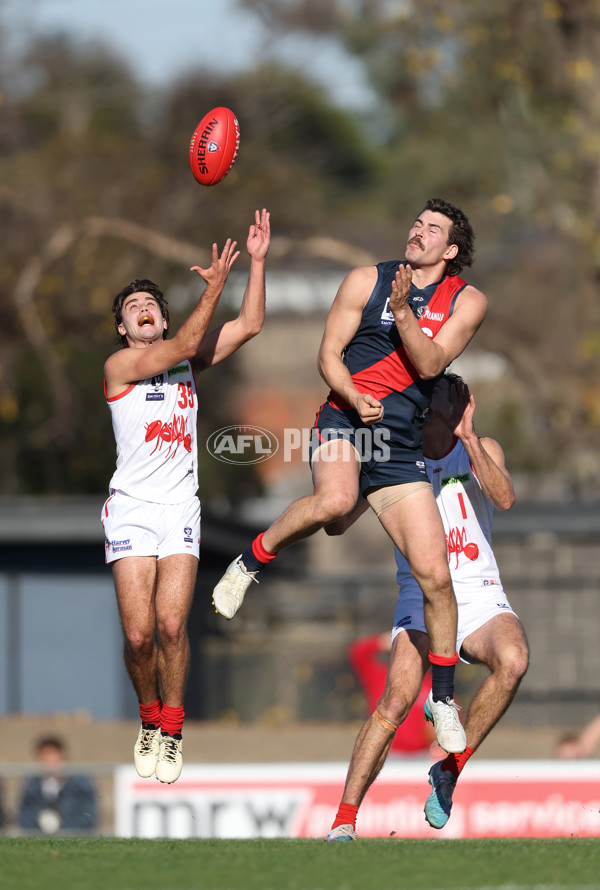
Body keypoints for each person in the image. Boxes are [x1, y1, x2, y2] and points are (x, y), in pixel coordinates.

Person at [213, 198, 487, 752]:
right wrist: (353, 393)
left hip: (403, 442)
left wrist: (405, 312)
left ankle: (444, 697)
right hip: (346, 417)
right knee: (335, 505)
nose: (417, 231)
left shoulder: (468, 301)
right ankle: (249, 562)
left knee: (435, 575)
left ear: (450, 250)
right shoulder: (367, 279)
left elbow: (432, 364)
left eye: (431, 229)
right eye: (415, 222)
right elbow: (327, 355)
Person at [102, 209, 271, 784]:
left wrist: (257, 259)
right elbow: (188, 340)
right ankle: (148, 718)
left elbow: (249, 324)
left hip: (180, 511)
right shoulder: (121, 365)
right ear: (124, 329)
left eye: (152, 303)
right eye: (133, 307)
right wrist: (213, 290)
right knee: (137, 634)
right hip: (131, 508)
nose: (144, 308)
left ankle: (171, 730)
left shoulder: (185, 361)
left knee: (173, 627)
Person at [325, 373, 529, 840]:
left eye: (456, 392)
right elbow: (337, 525)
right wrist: (340, 483)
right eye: (439, 390)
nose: (452, 396)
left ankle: (449, 770)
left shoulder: (481, 448)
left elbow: (505, 497)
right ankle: (343, 820)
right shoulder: (398, 459)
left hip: (478, 594)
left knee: (514, 660)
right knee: (395, 700)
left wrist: (470, 438)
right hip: (421, 596)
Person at [348, 632, 434, 757]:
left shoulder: (432, 683)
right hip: (385, 753)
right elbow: (357, 653)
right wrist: (385, 641)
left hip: (422, 755)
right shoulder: (379, 676)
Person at [18, 736, 97, 835]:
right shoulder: (31, 785)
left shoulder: (81, 783)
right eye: (44, 755)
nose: (48, 760)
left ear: (62, 756)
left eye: (52, 754)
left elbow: (88, 816)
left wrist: (65, 833)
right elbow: (25, 816)